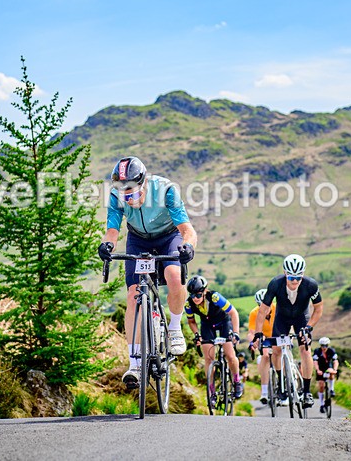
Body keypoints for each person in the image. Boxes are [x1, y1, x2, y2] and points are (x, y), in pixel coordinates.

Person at [98, 156, 198, 387]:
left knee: (174, 276)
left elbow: (187, 230)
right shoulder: (116, 197)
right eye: (123, 191)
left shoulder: (166, 190)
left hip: (168, 237)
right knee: (134, 295)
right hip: (138, 240)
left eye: (131, 191)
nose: (128, 197)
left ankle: (174, 327)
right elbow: (112, 230)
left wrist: (188, 247)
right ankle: (134, 363)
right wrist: (107, 246)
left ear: (143, 183)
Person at [251, 254, 323, 409]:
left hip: (302, 319)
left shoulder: (311, 285)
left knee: (305, 350)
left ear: (303, 274)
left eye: (298, 277)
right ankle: (281, 384)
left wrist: (309, 327)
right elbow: (263, 311)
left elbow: (318, 309)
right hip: (282, 319)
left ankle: (306, 392)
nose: (295, 281)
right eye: (291, 277)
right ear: (285, 273)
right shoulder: (275, 284)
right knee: (276, 351)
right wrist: (258, 333)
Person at [184, 275, 244, 399]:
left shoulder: (215, 297)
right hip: (207, 325)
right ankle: (211, 390)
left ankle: (237, 381)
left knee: (230, 354)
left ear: (205, 292)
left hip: (223, 322)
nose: (195, 298)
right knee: (208, 358)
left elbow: (233, 313)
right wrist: (197, 335)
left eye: (199, 295)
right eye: (192, 295)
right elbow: (191, 321)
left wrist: (236, 332)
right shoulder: (189, 305)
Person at [247, 288, 281, 405]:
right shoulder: (254, 313)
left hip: (279, 335)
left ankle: (286, 382)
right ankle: (265, 392)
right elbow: (251, 332)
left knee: (281, 354)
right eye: (260, 305)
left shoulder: (278, 308)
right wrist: (252, 342)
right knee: (265, 356)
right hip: (266, 338)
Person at [313, 336, 339, 413]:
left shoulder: (331, 351)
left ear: (328, 345)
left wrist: (335, 369)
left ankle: (331, 389)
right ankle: (321, 404)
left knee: (331, 372)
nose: (324, 347)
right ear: (320, 345)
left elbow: (335, 361)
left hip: (328, 368)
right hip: (320, 369)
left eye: (326, 346)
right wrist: (317, 370)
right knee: (321, 385)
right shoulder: (317, 351)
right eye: (322, 346)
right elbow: (315, 361)